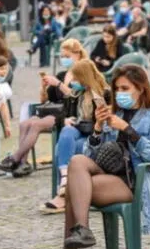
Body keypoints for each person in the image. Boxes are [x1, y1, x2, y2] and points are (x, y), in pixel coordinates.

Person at [34, 64, 150, 249]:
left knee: (73, 189)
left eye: (125, 88)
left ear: (141, 88)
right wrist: (98, 128)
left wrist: (127, 129)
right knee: (78, 160)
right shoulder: (113, 113)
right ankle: (82, 230)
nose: (120, 93)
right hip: (109, 174)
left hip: (134, 180)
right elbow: (90, 156)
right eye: (117, 89)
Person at [2, 39, 90, 177]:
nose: (64, 59)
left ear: (77, 54)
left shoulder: (83, 73)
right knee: (26, 124)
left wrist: (59, 84)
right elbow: (45, 100)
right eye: (62, 56)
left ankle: (15, 158)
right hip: (55, 110)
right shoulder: (62, 74)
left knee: (36, 124)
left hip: (70, 113)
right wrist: (43, 88)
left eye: (67, 57)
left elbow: (79, 97)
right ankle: (23, 163)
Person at [41, 59, 112, 214]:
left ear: (85, 77)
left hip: (94, 135)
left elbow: (107, 123)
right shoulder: (75, 94)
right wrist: (65, 120)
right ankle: (65, 181)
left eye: (76, 78)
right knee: (66, 133)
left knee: (68, 148)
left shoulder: (104, 93)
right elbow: (62, 113)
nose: (73, 82)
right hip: (78, 130)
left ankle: (63, 197)